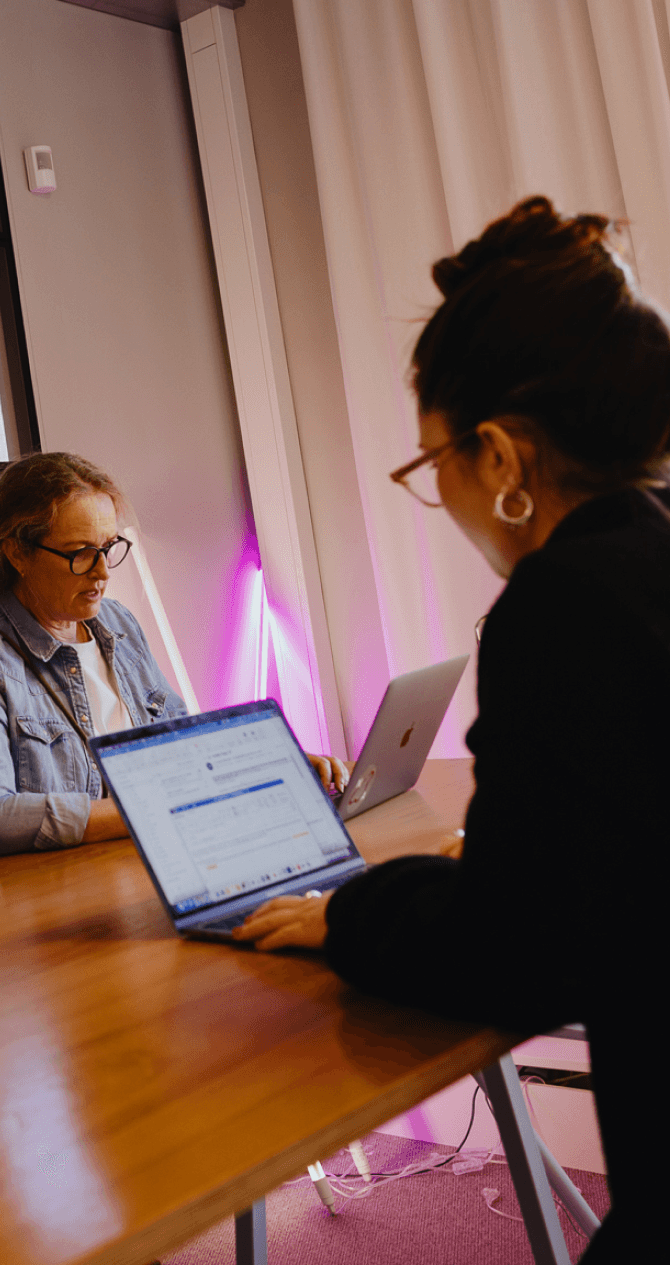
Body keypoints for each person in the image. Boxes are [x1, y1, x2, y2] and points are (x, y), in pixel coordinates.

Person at [234, 197, 663, 1258]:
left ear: (503, 460)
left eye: (433, 468)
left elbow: (516, 954)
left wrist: (355, 913)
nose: (447, 497)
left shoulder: (562, 603)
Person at [0, 452, 188, 854]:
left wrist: (272, 765)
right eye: (80, 553)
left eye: (108, 547)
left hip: (162, 856)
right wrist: (142, 810)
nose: (103, 571)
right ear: (18, 553)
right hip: (71, 888)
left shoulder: (118, 622)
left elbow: (184, 745)